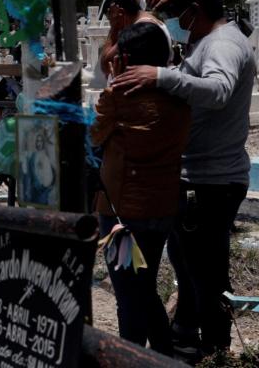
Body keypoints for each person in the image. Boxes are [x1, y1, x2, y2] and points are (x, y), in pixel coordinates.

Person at [112, 0, 257, 358]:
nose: (174, 19)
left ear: (196, 10)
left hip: (211, 179)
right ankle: (187, 336)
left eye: (179, 12)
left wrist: (160, 75)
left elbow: (219, 89)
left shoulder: (223, 44)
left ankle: (214, 348)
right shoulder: (206, 39)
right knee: (188, 266)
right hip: (197, 175)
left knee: (206, 273)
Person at [90, 22, 191, 355]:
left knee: (128, 297)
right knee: (145, 288)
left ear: (124, 60)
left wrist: (114, 83)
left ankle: (129, 358)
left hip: (121, 213)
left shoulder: (117, 96)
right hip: (160, 206)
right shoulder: (178, 94)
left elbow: (95, 136)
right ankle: (163, 355)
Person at [99, 0, 171, 77]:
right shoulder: (148, 22)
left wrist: (114, 27)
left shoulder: (141, 31)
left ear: (121, 13)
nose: (111, 23)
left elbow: (106, 66)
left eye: (110, 19)